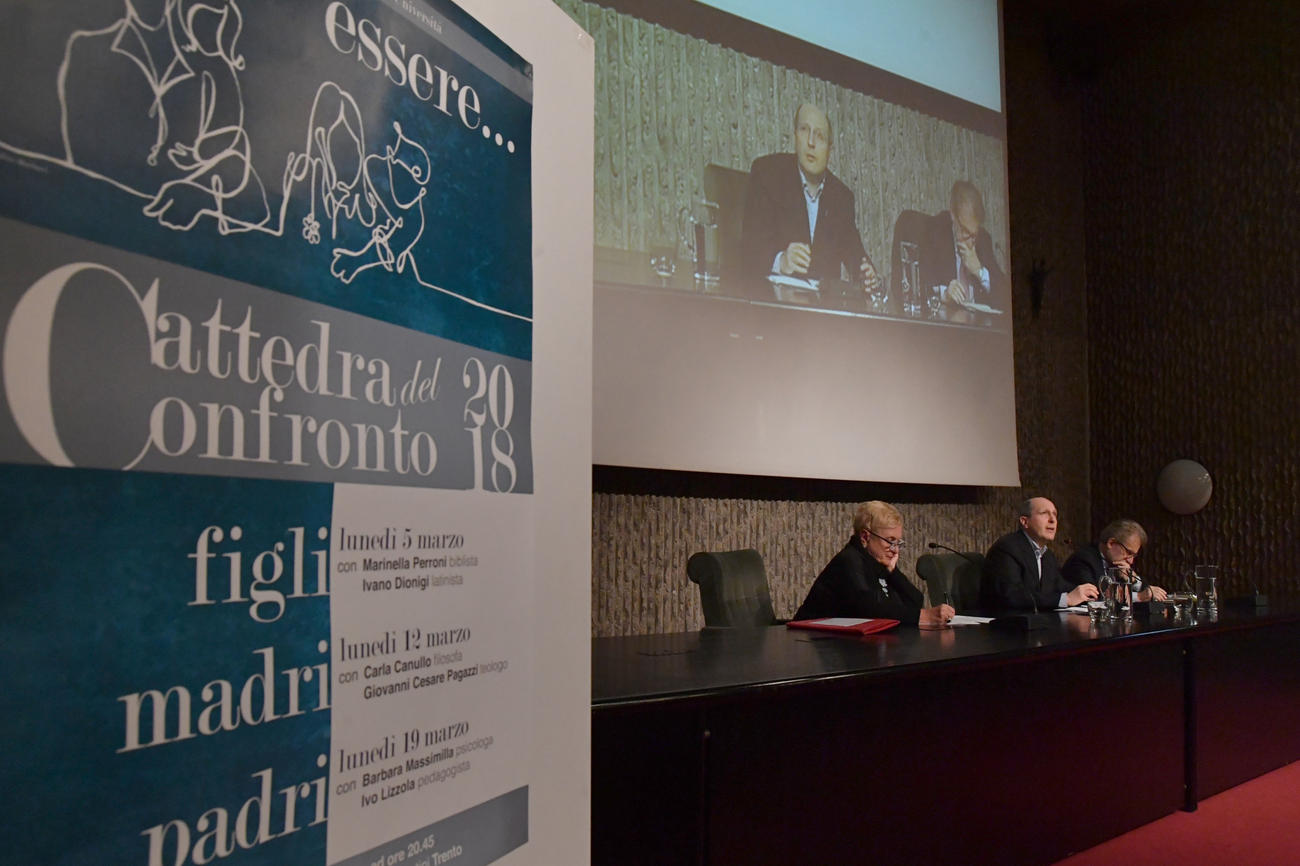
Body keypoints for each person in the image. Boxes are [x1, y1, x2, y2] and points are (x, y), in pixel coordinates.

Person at [740, 103, 882, 298]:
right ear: (795, 136)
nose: (811, 142)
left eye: (820, 136)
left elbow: (855, 255)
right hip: (772, 303)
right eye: (804, 130)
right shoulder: (767, 174)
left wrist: (867, 275)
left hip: (820, 310)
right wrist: (781, 261)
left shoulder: (841, 197)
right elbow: (749, 248)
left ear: (829, 150)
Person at [793, 501, 954, 627]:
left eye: (898, 542)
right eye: (890, 541)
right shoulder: (849, 560)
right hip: (811, 643)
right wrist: (921, 617)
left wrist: (893, 572)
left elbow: (916, 601)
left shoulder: (877, 561)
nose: (895, 550)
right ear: (865, 537)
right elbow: (870, 609)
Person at [901, 180, 1009, 313]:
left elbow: (1006, 297)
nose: (970, 241)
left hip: (978, 322)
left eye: (974, 234)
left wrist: (979, 271)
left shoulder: (983, 240)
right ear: (953, 215)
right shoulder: (934, 233)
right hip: (948, 321)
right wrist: (945, 294)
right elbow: (919, 284)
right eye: (965, 231)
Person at [980, 497, 1099, 612]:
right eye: (1044, 513)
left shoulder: (1047, 555)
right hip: (1004, 622)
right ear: (1025, 521)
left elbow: (1060, 587)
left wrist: (1087, 594)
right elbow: (1012, 596)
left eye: (1055, 514)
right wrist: (1066, 599)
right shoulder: (1007, 548)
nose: (1052, 520)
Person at [1062, 519, 1168, 602]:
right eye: (1128, 553)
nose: (1131, 561)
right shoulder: (1083, 560)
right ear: (1111, 543)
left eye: (1134, 556)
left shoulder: (1117, 564)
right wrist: (1139, 597)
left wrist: (1134, 581)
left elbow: (1146, 592)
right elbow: (1094, 597)